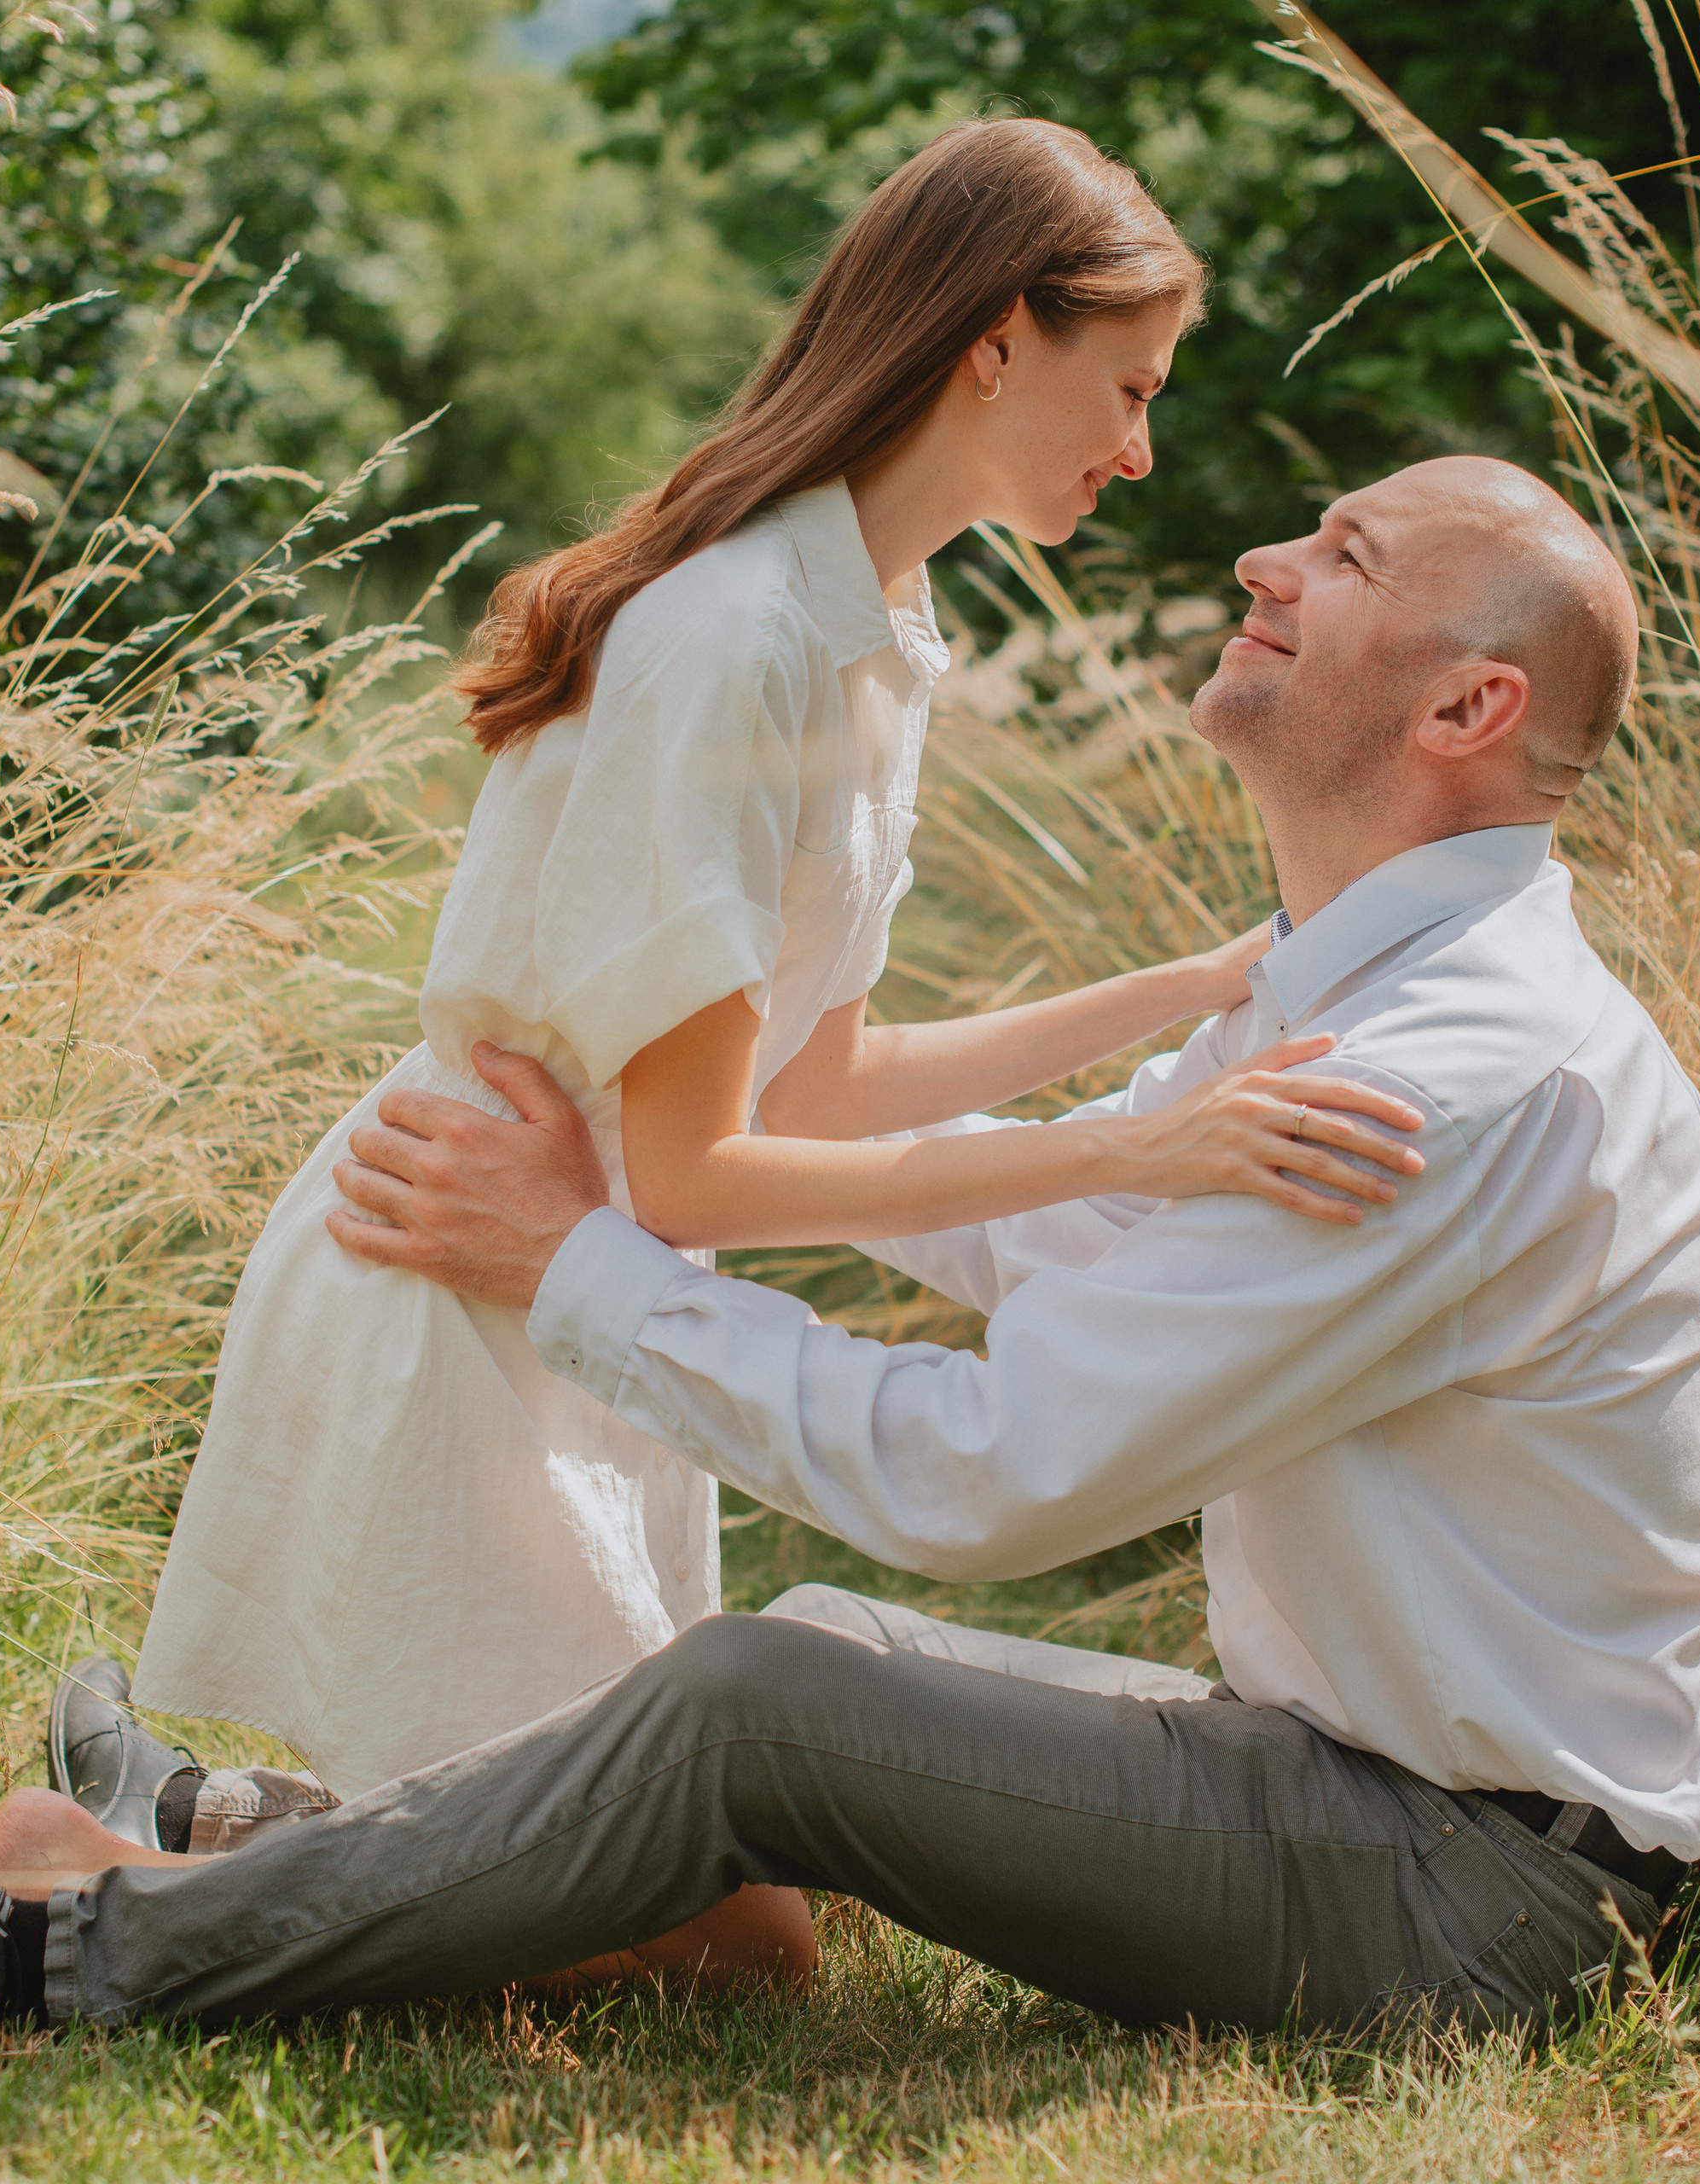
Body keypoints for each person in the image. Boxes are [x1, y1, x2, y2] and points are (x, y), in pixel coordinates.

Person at [0, 454, 1700, 2042]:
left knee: (764, 1691)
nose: (1262, 569)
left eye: (1345, 559)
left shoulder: (1464, 1075)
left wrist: (576, 1259)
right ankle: (234, 1836)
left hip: (1471, 1887)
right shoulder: (1346, 1003)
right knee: (812, 1672)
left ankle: (41, 1960)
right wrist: (706, 1139)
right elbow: (1079, 1240)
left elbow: (991, 1470)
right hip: (1340, 1778)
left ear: (1469, 702)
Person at [125, 102, 1419, 1991]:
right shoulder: (738, 634)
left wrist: (1191, 986)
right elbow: (693, 1169)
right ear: (992, 342)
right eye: (1122, 387)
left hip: (569, 1286)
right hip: (466, 1275)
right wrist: (1130, 1152)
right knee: (725, 1946)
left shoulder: (869, 632)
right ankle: (101, 1855)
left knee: (673, 1903)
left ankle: (169, 1825)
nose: (1141, 451)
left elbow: (809, 1075)